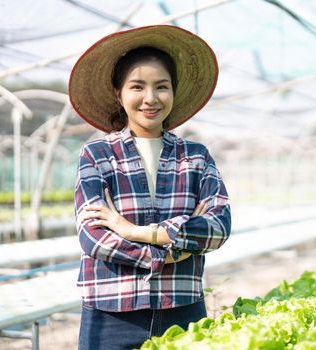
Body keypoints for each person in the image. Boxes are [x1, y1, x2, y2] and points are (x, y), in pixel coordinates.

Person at [69, 25, 231, 349]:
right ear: (119, 93)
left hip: (183, 312)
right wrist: (175, 248)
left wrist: (133, 231)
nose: (150, 98)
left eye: (161, 87)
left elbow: (218, 227)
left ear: (174, 92)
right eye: (137, 86)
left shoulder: (195, 158)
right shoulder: (98, 155)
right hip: (111, 314)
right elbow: (94, 238)